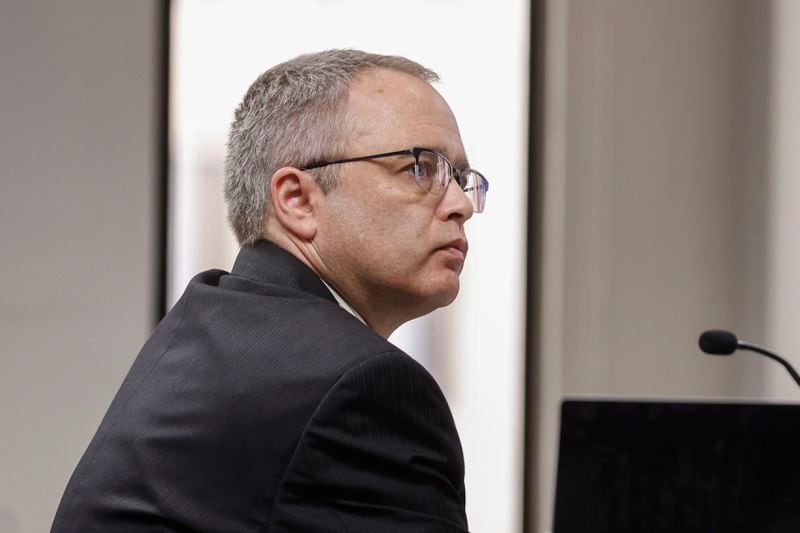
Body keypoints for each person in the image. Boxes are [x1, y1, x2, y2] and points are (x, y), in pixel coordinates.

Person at [51, 49, 488, 532]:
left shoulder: (214, 321)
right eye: (420, 169)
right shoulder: (359, 386)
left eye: (463, 178)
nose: (460, 205)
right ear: (298, 200)